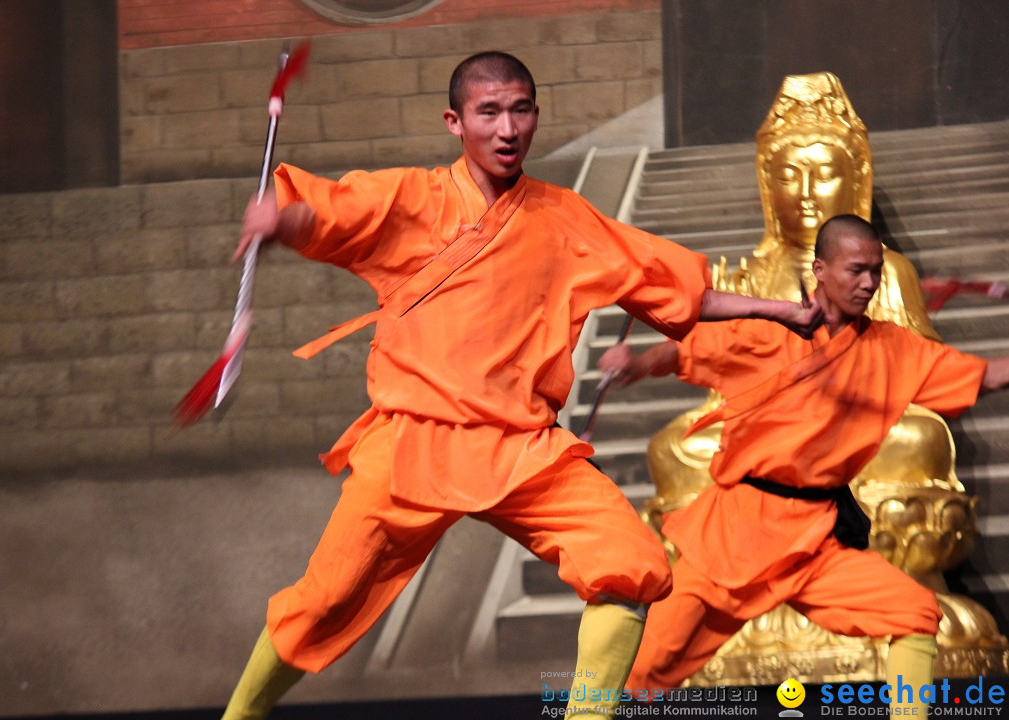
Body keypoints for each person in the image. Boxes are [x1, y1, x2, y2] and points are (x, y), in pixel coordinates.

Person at [221, 51, 822, 720]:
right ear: (455, 121)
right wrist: (279, 220)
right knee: (324, 602)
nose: (508, 128)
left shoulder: (566, 219)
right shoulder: (414, 198)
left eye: (521, 109)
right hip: (414, 442)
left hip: (522, 448)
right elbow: (326, 215)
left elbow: (677, 290)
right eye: (489, 112)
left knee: (630, 564)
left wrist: (786, 311)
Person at [600, 213, 1009, 716]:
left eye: (876, 271)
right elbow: (680, 353)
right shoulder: (770, 329)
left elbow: (986, 376)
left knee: (915, 610)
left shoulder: (892, 348)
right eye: (856, 270)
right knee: (642, 671)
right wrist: (634, 365)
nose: (869, 283)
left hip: (814, 542)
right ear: (820, 269)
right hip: (735, 532)